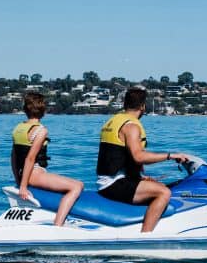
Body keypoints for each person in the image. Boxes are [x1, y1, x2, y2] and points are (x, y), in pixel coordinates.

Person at [96, 87, 189, 232]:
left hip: (111, 180)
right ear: (143, 106)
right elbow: (138, 157)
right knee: (164, 192)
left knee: (157, 184)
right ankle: (145, 235)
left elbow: (119, 157)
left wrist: (140, 177)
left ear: (125, 104)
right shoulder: (131, 126)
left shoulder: (114, 121)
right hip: (113, 184)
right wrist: (170, 155)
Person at [12, 92, 83, 226]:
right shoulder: (40, 131)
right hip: (34, 174)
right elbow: (30, 158)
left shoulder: (18, 128)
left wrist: (18, 179)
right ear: (43, 111)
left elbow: (14, 157)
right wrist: (23, 186)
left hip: (24, 174)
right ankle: (58, 225)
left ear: (25, 110)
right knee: (77, 186)